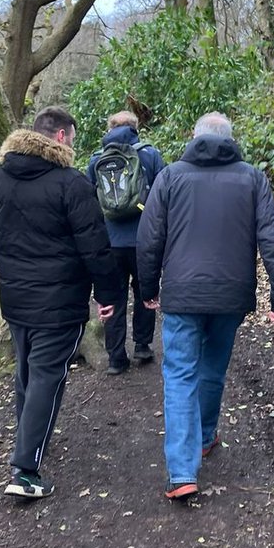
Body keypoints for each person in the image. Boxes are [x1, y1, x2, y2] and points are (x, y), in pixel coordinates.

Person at [136, 112, 274, 500]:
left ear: (194, 138)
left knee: (179, 375)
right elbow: (272, 238)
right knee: (213, 369)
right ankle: (204, 437)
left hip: (183, 294)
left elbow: (149, 237)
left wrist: (147, 286)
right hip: (231, 295)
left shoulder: (170, 176)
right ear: (230, 138)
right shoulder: (252, 178)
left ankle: (182, 471)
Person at [0, 106, 120, 499]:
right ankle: (25, 470)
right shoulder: (71, 184)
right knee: (47, 375)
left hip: (15, 297)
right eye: (73, 138)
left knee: (28, 372)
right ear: (60, 137)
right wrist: (110, 295)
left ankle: (31, 442)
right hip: (58, 300)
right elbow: (95, 247)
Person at [86, 111, 166, 375]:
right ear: (135, 128)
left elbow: (89, 201)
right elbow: (163, 194)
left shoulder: (96, 160)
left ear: (109, 129)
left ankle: (116, 357)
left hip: (110, 241)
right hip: (144, 238)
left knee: (114, 296)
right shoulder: (150, 155)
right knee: (145, 290)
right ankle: (142, 345)